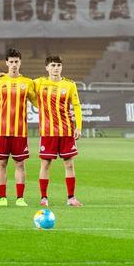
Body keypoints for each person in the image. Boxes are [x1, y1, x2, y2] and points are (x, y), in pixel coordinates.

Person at [34, 55, 83, 207]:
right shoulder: (39, 83)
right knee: (45, 165)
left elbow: (76, 106)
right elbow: (18, 81)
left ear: (61, 67)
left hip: (66, 130)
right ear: (47, 67)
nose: (56, 68)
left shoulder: (69, 85)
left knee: (69, 164)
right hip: (48, 132)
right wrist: (1, 76)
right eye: (53, 65)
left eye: (58, 65)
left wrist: (79, 126)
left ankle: (71, 198)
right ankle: (43, 198)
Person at [0, 48, 34, 206]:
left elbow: (38, 103)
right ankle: (2, 198)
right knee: (1, 163)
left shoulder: (27, 82)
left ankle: (20, 198)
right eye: (11, 62)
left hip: (20, 131)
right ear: (6, 63)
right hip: (1, 130)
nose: (14, 64)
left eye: (16, 62)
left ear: (20, 63)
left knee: (20, 164)